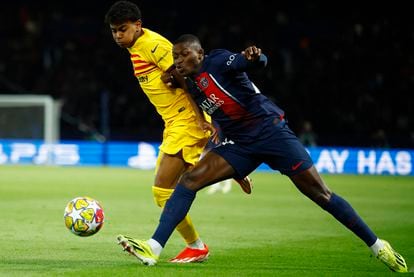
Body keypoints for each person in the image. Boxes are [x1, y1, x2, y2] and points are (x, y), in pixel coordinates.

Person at [114, 33, 408, 273]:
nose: (177, 61)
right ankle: (153, 248)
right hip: (242, 145)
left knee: (321, 195)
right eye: (174, 57)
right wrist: (234, 167)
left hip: (272, 134)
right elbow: (222, 118)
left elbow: (248, 62)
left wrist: (257, 58)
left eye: (182, 55)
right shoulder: (194, 86)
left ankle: (378, 246)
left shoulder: (217, 60)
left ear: (199, 53)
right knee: (188, 181)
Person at [104, 2, 252, 263]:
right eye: (114, 31)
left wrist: (203, 118)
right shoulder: (136, 47)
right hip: (174, 122)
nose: (117, 35)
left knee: (162, 191)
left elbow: (188, 77)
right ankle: (232, 166)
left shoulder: (153, 45)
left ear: (137, 26)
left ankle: (181, 246)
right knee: (180, 185)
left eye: (122, 29)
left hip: (186, 121)